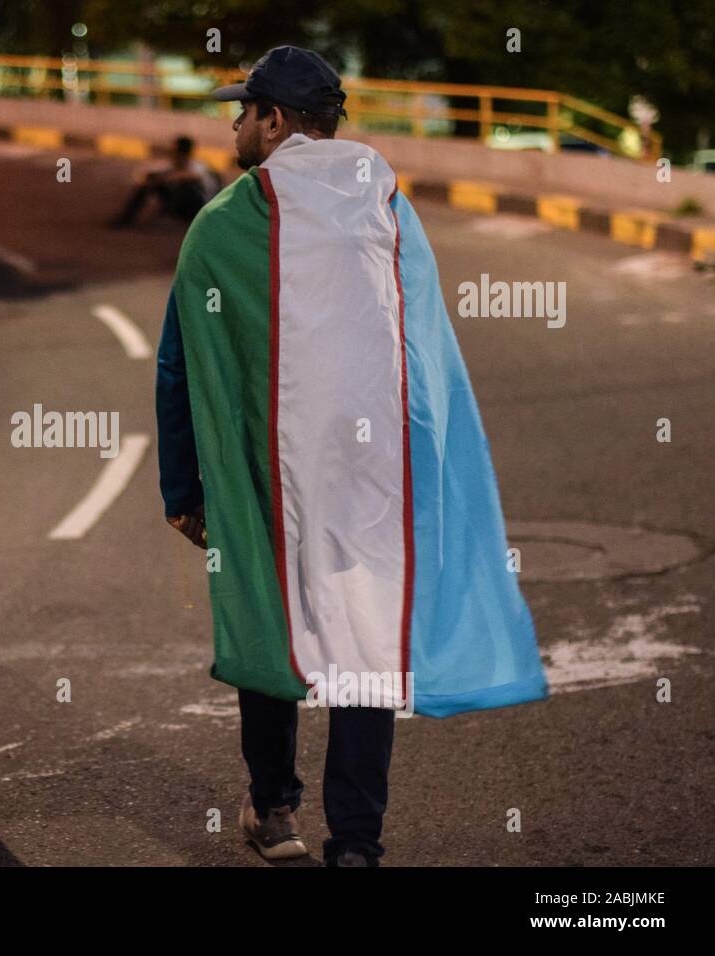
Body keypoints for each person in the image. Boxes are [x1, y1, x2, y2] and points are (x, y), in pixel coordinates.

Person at [156, 47, 547, 866]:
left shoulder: (226, 222)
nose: (233, 123)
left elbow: (181, 367)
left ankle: (275, 811)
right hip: (378, 476)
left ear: (278, 121)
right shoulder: (391, 206)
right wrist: (430, 478)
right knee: (364, 643)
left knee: (273, 624)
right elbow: (425, 351)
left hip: (271, 476)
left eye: (245, 109)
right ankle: (358, 841)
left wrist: (185, 489)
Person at [109, 135, 221, 228]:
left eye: (175, 151)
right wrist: (151, 179)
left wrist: (162, 178)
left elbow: (188, 177)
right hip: (183, 205)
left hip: (200, 209)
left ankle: (165, 217)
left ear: (183, 153)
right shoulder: (172, 166)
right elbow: (141, 176)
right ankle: (126, 218)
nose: (172, 154)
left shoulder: (198, 167)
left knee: (185, 186)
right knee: (151, 183)